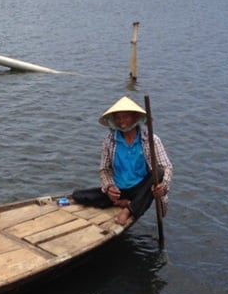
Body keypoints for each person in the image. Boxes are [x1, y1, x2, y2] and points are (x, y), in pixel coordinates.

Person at [72, 96, 172, 226]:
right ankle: (121, 201)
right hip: (120, 190)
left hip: (141, 189)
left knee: (158, 172)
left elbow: (167, 167)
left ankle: (129, 209)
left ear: (135, 117)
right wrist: (109, 187)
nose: (121, 122)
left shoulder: (151, 140)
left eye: (125, 117)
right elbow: (105, 170)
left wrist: (163, 187)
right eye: (118, 118)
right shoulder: (110, 141)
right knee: (78, 196)